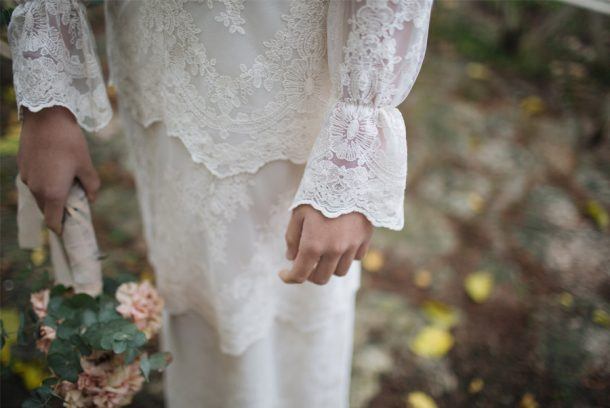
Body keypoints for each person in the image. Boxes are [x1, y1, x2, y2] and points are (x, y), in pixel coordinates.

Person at [8, 0, 432, 406]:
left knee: (289, 304)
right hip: (160, 67)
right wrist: (48, 95)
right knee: (191, 283)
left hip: (279, 79)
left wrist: (349, 165)